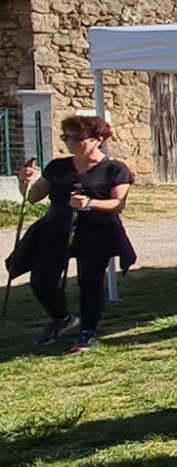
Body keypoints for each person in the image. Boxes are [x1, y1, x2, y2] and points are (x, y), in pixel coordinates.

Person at [17, 116, 134, 354]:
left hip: (96, 230)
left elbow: (117, 204)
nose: (68, 142)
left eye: (74, 138)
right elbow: (33, 196)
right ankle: (62, 319)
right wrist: (24, 181)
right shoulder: (58, 167)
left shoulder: (114, 169)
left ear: (96, 141)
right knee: (41, 279)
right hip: (55, 227)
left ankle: (88, 331)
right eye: (65, 137)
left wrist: (89, 203)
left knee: (89, 281)